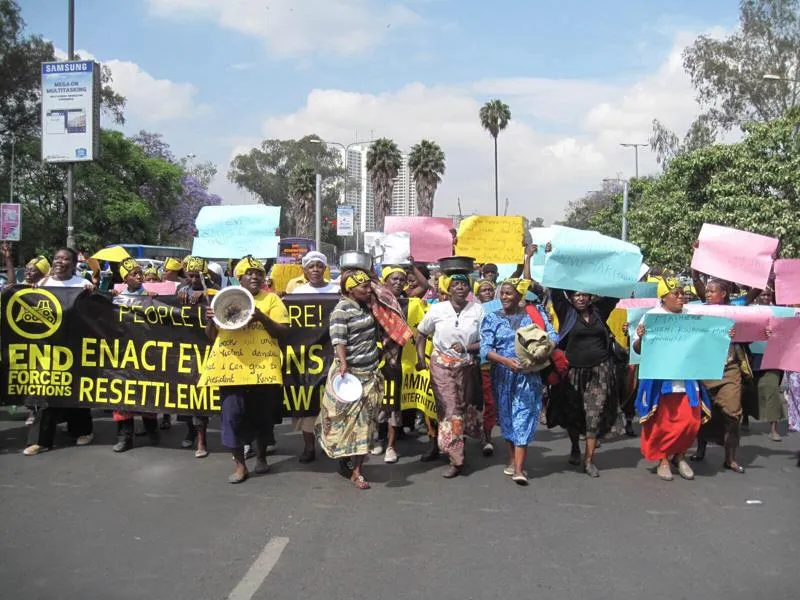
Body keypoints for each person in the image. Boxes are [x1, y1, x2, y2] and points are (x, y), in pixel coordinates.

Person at [203, 255, 288, 483]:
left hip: (263, 369)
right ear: (238, 277)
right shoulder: (223, 300)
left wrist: (262, 317)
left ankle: (261, 458)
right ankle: (240, 466)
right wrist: (211, 319)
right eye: (249, 273)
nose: (254, 276)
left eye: (259, 272)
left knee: (261, 416)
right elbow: (211, 338)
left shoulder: (271, 301)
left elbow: (282, 331)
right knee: (231, 416)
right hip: (230, 370)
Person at [546, 251, 619, 477]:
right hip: (572, 373)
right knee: (574, 413)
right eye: (575, 295)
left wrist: (613, 262)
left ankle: (589, 461)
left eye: (584, 295)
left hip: (600, 370)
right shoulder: (566, 312)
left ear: (590, 297)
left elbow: (614, 292)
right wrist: (553, 257)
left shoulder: (599, 312)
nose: (579, 298)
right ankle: (575, 447)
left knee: (594, 413)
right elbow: (555, 289)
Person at [632, 278, 712, 481]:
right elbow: (638, 349)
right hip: (662, 381)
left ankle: (680, 456)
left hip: (687, 379)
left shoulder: (692, 316)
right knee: (663, 422)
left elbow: (706, 343)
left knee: (690, 422)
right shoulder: (652, 317)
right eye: (675, 293)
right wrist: (641, 337)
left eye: (682, 293)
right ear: (663, 297)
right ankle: (663, 461)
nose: (680, 297)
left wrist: (725, 334)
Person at [480, 276, 557, 485]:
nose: (504, 296)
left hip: (528, 376)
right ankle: (512, 459)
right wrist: (505, 361)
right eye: (502, 293)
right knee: (507, 418)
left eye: (509, 293)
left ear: (519, 295)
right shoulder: (491, 318)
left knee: (523, 417)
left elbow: (553, 336)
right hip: (502, 376)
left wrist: (538, 352)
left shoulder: (534, 315)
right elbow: (485, 350)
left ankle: (519, 470)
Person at [316, 269, 385, 489]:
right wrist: (343, 363)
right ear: (350, 289)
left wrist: (372, 281)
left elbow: (385, 295)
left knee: (364, 425)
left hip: (370, 373)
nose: (368, 290)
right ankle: (344, 458)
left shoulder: (369, 306)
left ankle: (357, 471)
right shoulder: (341, 310)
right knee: (343, 422)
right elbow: (338, 339)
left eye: (368, 286)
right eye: (363, 287)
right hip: (350, 377)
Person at [24, 248, 95, 456]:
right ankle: (40, 440)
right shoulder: (42, 285)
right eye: (57, 258)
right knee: (46, 392)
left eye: (65, 259)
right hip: (47, 350)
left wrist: (92, 295)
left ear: (73, 264)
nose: (60, 261)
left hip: (75, 347)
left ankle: (83, 431)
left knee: (76, 390)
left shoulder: (82, 285)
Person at [415, 269, 484, 478]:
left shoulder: (478, 310)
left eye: (464, 284)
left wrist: (467, 347)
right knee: (450, 408)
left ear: (469, 288)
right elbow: (420, 333)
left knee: (463, 408)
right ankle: (456, 458)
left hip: (467, 367)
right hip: (441, 367)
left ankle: (457, 444)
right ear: (448, 288)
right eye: (455, 284)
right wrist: (420, 359)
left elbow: (487, 340)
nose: (460, 288)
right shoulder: (437, 310)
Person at [691, 278, 750, 473]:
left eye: (711, 291)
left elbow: (755, 294)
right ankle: (701, 449)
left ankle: (730, 458)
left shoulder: (737, 309)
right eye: (706, 291)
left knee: (733, 413)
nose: (707, 294)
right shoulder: (701, 310)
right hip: (705, 368)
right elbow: (696, 281)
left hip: (729, 368)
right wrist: (696, 264)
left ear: (723, 294)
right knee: (704, 411)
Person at [288, 250, 339, 463]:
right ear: (304, 270)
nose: (315, 270)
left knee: (334, 403)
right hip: (306, 357)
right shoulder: (296, 293)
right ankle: (309, 448)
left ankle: (333, 445)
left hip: (332, 355)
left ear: (325, 269)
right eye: (311, 266)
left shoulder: (337, 291)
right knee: (306, 403)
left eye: (319, 265)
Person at [109, 258, 160, 452]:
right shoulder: (116, 297)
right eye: (134, 274)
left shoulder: (151, 296)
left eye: (140, 273)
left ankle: (152, 431)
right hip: (123, 354)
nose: (139, 276)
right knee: (122, 396)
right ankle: (124, 438)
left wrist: (154, 300)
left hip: (145, 353)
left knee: (148, 394)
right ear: (125, 278)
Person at [176, 256, 216, 458]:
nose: (193, 280)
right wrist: (181, 293)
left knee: (203, 397)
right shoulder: (181, 290)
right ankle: (191, 432)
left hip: (209, 350)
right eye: (190, 276)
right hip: (187, 350)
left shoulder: (214, 289)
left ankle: (202, 440)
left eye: (197, 276)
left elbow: (222, 298)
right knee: (187, 395)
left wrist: (206, 294)